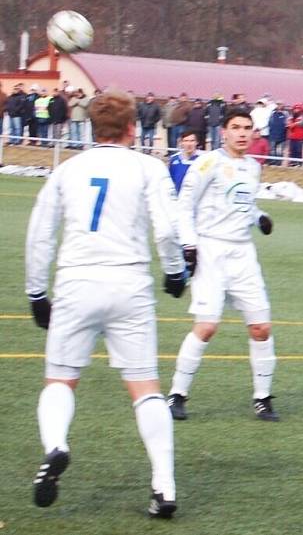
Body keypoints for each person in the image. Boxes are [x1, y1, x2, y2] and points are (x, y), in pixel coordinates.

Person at [24, 90, 185, 518]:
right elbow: (167, 229)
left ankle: (57, 445)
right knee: (146, 388)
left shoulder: (68, 169)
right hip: (128, 283)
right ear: (133, 126)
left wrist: (37, 292)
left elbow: (40, 232)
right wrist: (174, 271)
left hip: (77, 281)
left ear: (94, 127)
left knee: (60, 380)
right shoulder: (149, 167)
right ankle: (164, 487)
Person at [167, 110, 278, 422]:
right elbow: (184, 205)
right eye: (235, 128)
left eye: (247, 128)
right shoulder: (208, 163)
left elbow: (244, 203)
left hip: (243, 254)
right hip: (211, 249)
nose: (242, 133)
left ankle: (263, 398)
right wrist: (189, 244)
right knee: (206, 327)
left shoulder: (253, 167)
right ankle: (177, 395)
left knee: (261, 328)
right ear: (224, 132)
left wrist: (259, 218)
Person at [168, 130, 200, 195]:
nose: (189, 144)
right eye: (186, 141)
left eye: (192, 141)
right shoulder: (174, 160)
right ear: (181, 143)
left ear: (197, 142)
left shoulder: (202, 160)